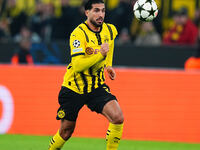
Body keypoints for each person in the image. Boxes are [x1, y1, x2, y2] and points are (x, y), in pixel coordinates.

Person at [48, 0, 124, 150]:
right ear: (87, 12)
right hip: (74, 88)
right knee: (66, 131)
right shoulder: (78, 34)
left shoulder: (109, 30)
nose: (101, 14)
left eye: (103, 11)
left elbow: (110, 42)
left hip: (96, 86)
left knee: (118, 117)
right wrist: (100, 55)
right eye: (96, 10)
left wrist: (108, 65)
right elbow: (77, 66)